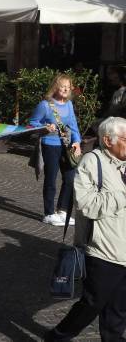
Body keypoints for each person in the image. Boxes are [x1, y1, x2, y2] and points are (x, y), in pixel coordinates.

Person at [45, 117, 126, 342]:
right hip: (102, 250)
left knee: (119, 309)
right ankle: (58, 336)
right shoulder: (92, 162)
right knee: (93, 303)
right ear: (108, 140)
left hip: (125, 249)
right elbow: (87, 205)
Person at [30, 74, 82, 226]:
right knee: (51, 179)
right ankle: (49, 213)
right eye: (62, 86)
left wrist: (77, 142)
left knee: (70, 178)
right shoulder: (45, 105)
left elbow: (74, 126)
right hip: (50, 144)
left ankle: (63, 210)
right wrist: (44, 127)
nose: (65, 89)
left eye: (68, 86)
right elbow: (32, 123)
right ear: (55, 87)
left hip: (66, 146)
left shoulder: (69, 105)